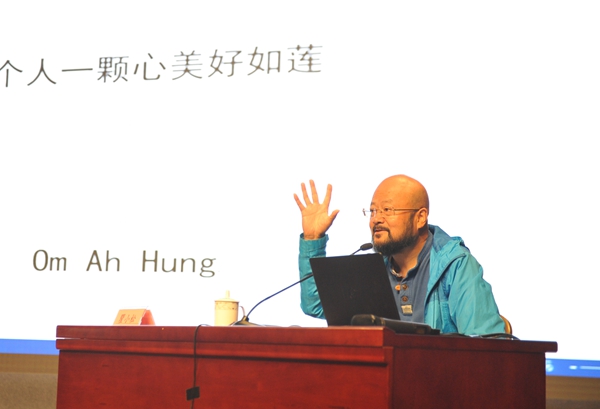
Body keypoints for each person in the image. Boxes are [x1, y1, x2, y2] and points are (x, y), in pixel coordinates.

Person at [294, 175, 505, 335]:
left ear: (420, 218)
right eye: (373, 211)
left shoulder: (455, 265)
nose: (376, 219)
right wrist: (313, 239)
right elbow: (316, 304)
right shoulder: (373, 269)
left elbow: (486, 344)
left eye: (387, 210)